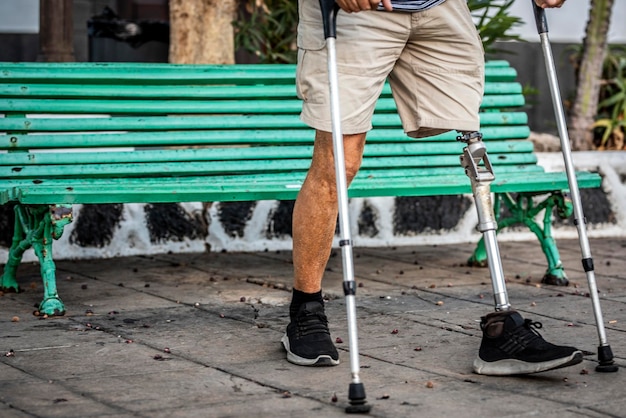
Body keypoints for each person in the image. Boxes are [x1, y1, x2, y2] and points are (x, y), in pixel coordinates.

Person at [281, 0, 581, 376]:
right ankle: (305, 312)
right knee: (339, 162)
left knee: (474, 148)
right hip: (356, 13)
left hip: (439, 7)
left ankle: (503, 329)